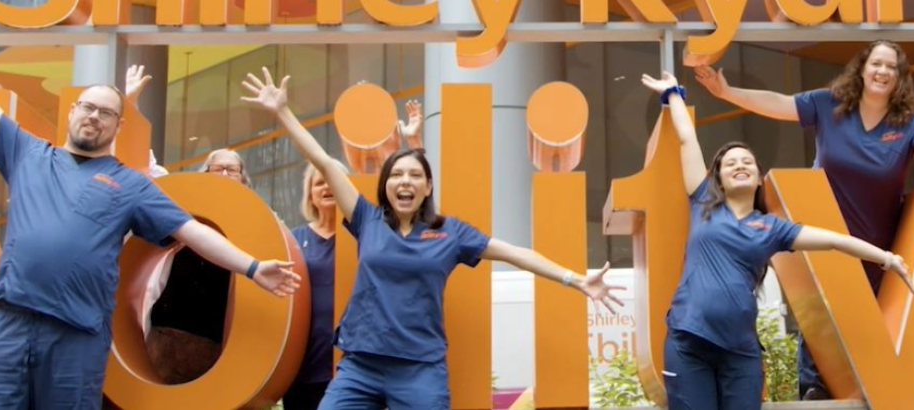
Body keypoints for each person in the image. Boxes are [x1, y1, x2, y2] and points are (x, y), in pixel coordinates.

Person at [0, 9, 305, 408]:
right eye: (88, 108)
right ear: (71, 111)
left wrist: (252, 268)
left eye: (106, 114)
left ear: (118, 127)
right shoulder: (27, 153)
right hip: (13, 321)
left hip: (77, 335)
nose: (94, 118)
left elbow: (193, 232)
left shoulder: (130, 185)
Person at [240, 68, 627, 409]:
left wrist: (575, 279)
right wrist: (282, 112)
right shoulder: (367, 219)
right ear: (385, 186)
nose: (404, 182)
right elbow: (325, 162)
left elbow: (515, 253)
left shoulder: (450, 232)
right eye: (395, 175)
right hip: (361, 365)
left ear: (428, 187)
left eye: (414, 176)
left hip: (419, 371)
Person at [693, 39, 914, 399]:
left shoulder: (906, 124)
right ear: (862, 69)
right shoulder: (829, 105)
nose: (883, 71)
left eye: (892, 67)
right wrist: (727, 91)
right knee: (822, 322)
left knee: (865, 328)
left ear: (900, 78)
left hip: (878, 243)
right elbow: (780, 104)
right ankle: (813, 390)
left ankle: (871, 390)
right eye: (877, 63)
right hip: (822, 235)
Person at [642, 72, 912, 410]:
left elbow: (834, 241)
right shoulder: (702, 203)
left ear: (757, 178)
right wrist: (673, 94)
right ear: (719, 179)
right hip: (688, 341)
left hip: (740, 352)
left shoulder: (772, 228)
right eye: (730, 164)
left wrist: (886, 258)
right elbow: (687, 140)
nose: (739, 165)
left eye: (747, 162)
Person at [145, 148, 250, 383]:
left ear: (243, 179)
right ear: (205, 173)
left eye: (232, 170)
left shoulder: (253, 225)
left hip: (217, 341)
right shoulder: (184, 210)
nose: (224, 173)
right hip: (167, 331)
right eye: (217, 168)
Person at [283, 160, 351, 410]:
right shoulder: (292, 239)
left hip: (353, 366)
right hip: (304, 368)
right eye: (319, 182)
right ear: (310, 194)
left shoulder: (363, 236)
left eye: (333, 180)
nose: (327, 187)